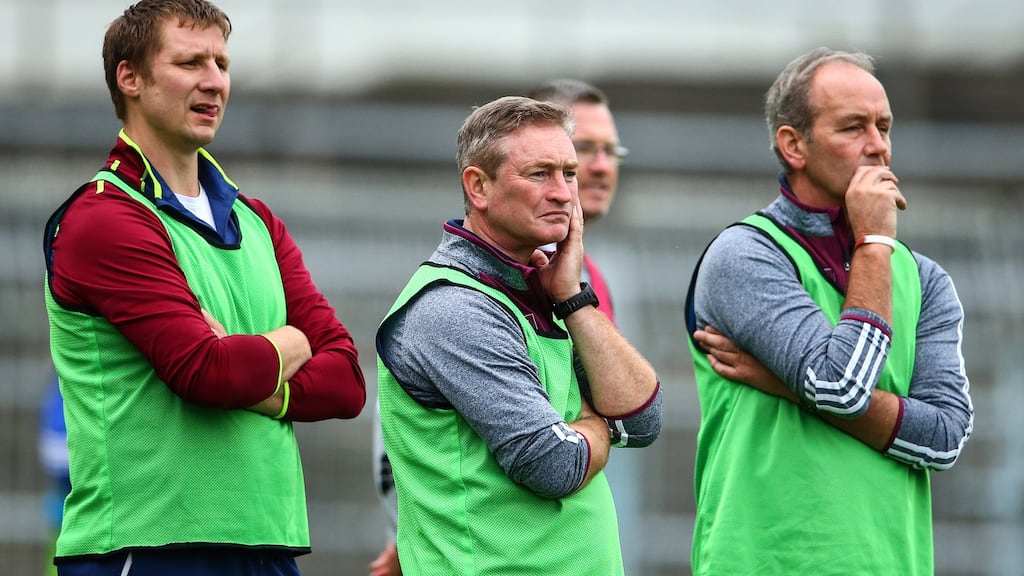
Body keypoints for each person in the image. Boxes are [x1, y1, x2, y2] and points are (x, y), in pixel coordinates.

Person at [42, 1, 366, 574]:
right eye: (190, 63)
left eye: (222, 63)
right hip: (150, 549)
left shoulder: (257, 220)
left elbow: (346, 382)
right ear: (130, 78)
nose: (214, 81)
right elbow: (206, 372)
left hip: (267, 545)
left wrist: (250, 372)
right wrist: (292, 342)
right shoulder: (105, 218)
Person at [684, 47, 974, 575]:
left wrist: (788, 384)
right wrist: (873, 242)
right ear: (793, 145)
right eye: (853, 128)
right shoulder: (744, 255)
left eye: (884, 127)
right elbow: (841, 385)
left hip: (890, 564)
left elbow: (945, 439)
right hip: (764, 563)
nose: (878, 146)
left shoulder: (924, 277)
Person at [377, 96, 662, 575]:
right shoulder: (454, 307)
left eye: (568, 174)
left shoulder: (548, 288)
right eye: (539, 174)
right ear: (479, 186)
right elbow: (553, 464)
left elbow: (641, 420)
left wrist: (573, 298)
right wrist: (598, 425)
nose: (563, 194)